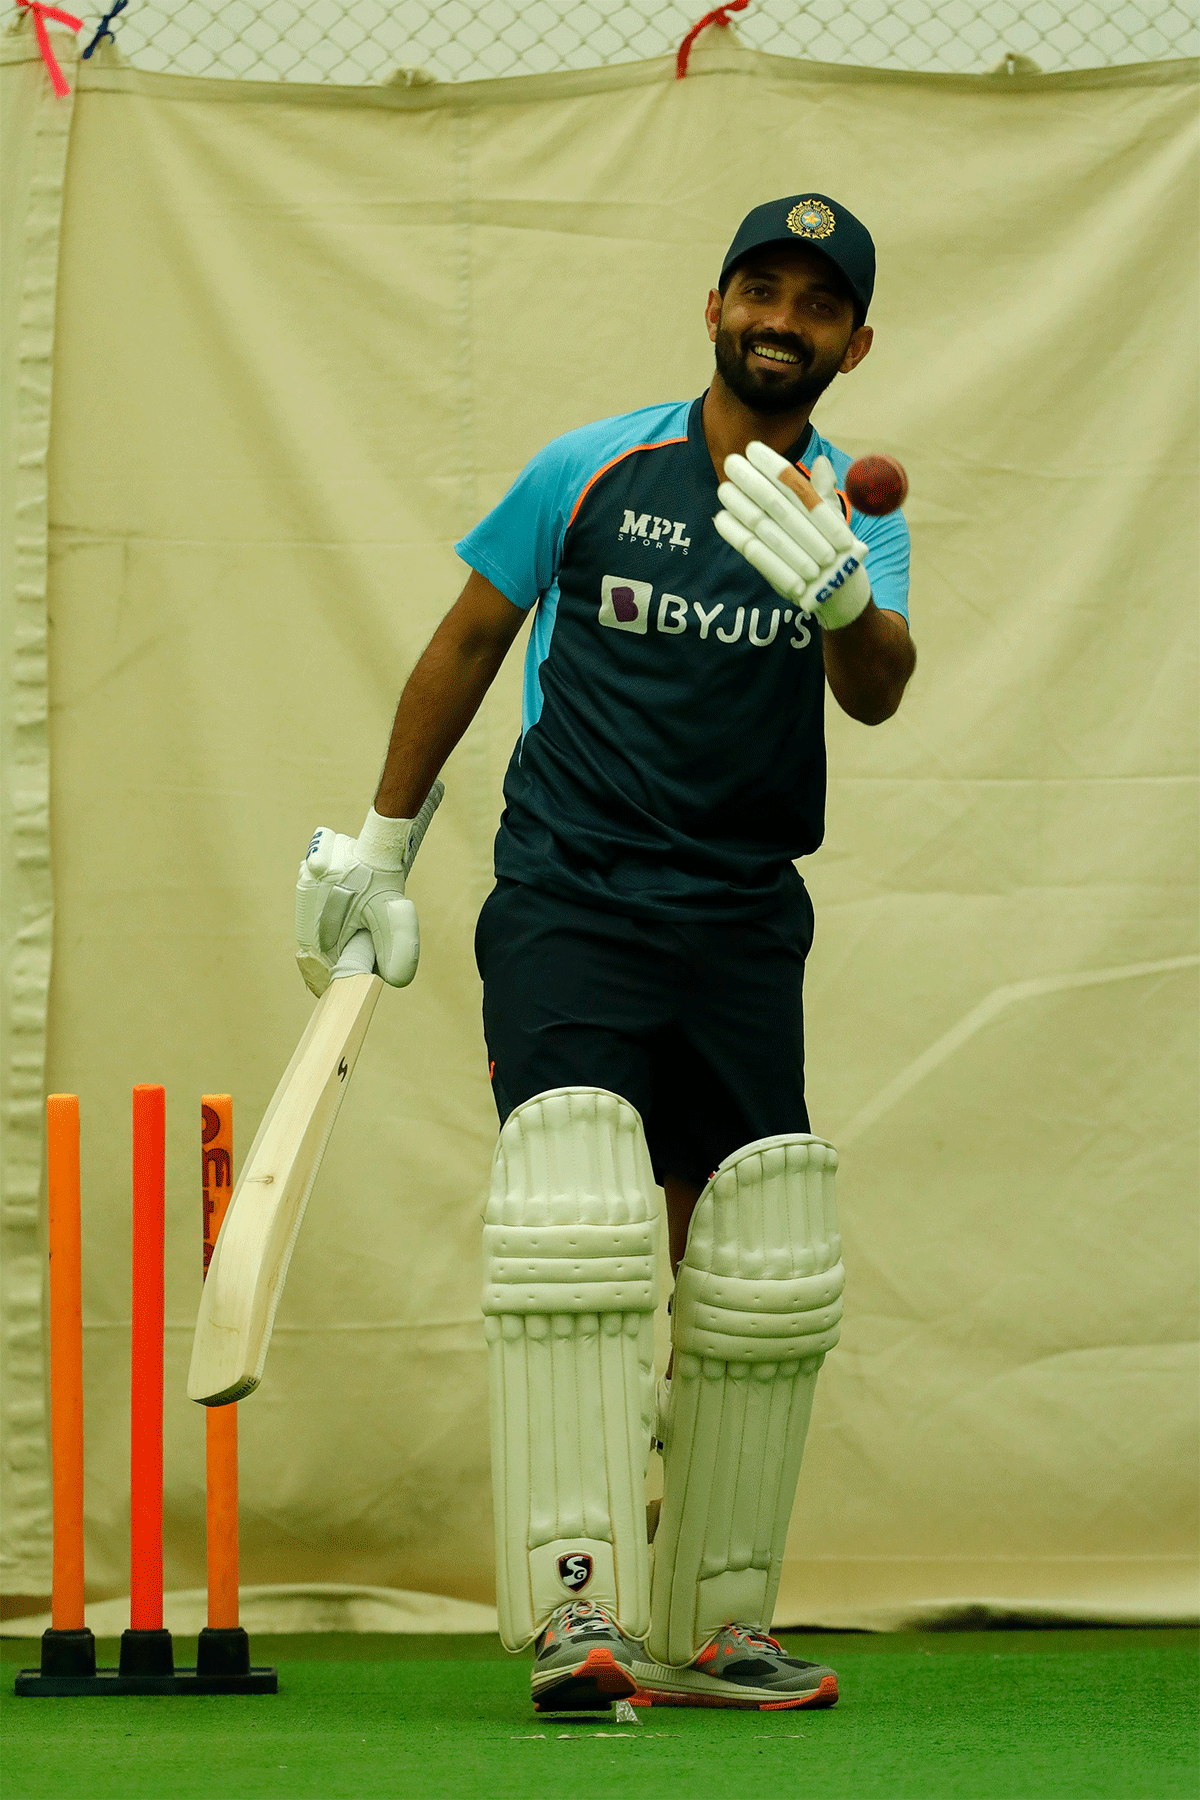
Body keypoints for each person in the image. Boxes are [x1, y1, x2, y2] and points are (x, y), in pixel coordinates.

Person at [295, 193, 915, 1714]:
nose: (783, 319)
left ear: (854, 341)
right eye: (759, 289)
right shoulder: (590, 467)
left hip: (744, 915)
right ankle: (579, 1619)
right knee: (573, 1213)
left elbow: (882, 688)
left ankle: (716, 1617)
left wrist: (843, 594)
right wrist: (379, 842)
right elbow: (466, 639)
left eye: (816, 304)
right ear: (713, 307)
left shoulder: (856, 504)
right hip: (574, 891)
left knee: (755, 1251)